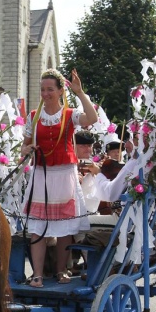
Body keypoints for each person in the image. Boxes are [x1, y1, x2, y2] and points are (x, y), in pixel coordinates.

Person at [20, 68, 98, 286]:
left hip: (64, 175)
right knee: (38, 227)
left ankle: (62, 270)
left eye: (50, 89)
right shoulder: (34, 117)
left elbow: (92, 117)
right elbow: (23, 147)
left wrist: (80, 93)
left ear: (60, 90)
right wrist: (25, 151)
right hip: (41, 175)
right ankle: (37, 274)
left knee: (65, 227)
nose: (45, 93)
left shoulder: (70, 115)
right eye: (42, 89)